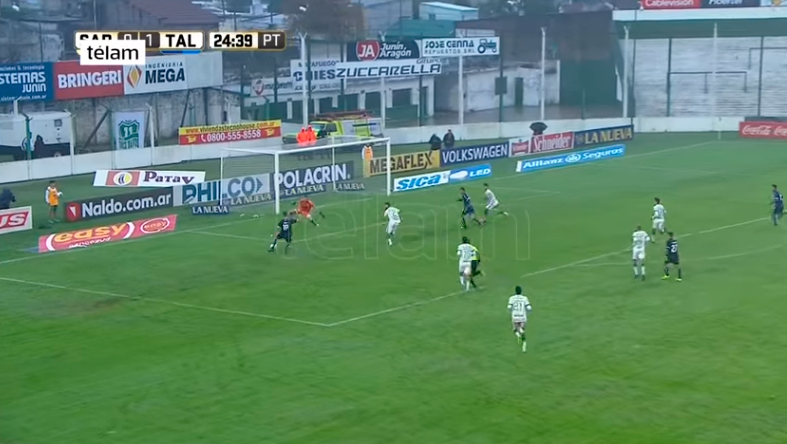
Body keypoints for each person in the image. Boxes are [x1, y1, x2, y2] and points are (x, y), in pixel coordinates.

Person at [507, 286, 532, 352]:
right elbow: (529, 308)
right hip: (522, 316)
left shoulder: (511, 298)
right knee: (522, 329)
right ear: (521, 291)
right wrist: (528, 311)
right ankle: (524, 344)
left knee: (515, 329)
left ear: (515, 291)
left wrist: (511, 310)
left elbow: (509, 307)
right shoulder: (525, 298)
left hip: (515, 316)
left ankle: (518, 335)